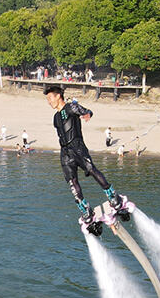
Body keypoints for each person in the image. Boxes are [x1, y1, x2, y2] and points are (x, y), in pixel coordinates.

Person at [43, 85, 125, 231]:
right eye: (47, 99)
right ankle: (85, 209)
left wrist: (87, 115)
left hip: (77, 147)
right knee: (72, 182)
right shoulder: (55, 118)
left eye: (50, 98)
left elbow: (88, 111)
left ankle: (112, 196)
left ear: (58, 96)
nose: (49, 101)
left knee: (92, 170)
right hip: (65, 152)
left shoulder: (71, 107)